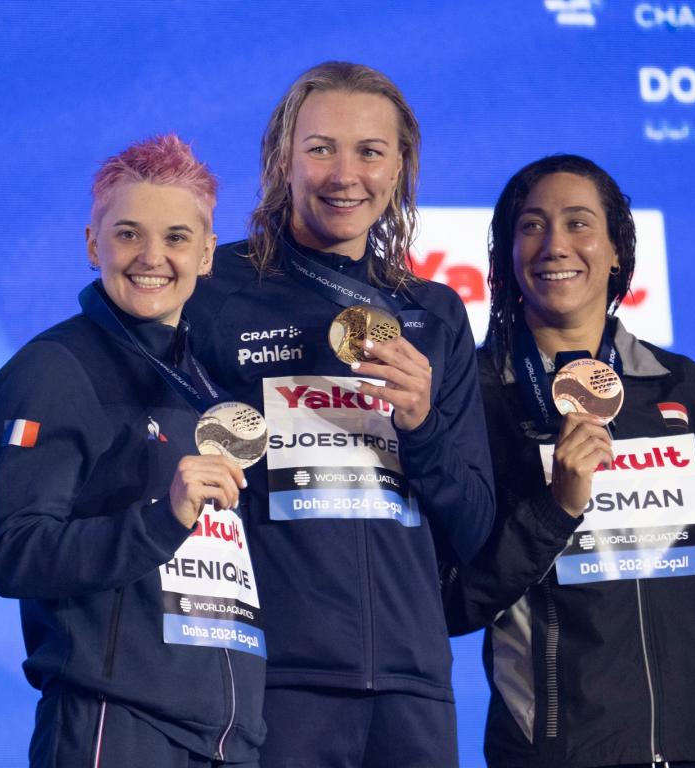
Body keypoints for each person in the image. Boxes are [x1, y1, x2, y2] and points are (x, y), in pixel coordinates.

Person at [443, 154, 695, 767]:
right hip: (556, 753)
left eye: (579, 223)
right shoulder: (474, 396)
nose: (555, 245)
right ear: (506, 255)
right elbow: (453, 601)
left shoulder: (682, 390)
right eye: (531, 226)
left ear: (617, 252)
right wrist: (556, 511)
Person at [186, 61, 496, 767]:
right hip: (271, 676)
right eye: (321, 148)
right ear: (281, 159)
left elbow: (475, 523)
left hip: (411, 686)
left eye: (370, 151)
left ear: (400, 168)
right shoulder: (213, 290)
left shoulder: (433, 313)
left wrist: (424, 426)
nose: (343, 173)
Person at [0, 135, 266, 768]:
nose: (152, 257)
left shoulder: (208, 386)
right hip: (115, 725)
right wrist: (162, 518)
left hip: (225, 740)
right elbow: (16, 555)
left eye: (175, 238)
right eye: (128, 234)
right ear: (92, 244)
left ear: (207, 254)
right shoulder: (53, 369)